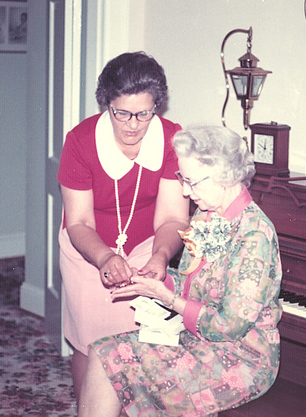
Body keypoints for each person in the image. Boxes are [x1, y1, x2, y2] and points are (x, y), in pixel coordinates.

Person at [78, 125, 283, 416]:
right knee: (102, 353)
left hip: (240, 358)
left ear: (225, 175)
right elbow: (195, 283)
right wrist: (158, 279)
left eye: (192, 182)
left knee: (114, 361)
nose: (185, 191)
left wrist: (167, 298)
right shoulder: (206, 215)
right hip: (198, 340)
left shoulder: (255, 235)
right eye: (182, 180)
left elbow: (230, 326)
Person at [57, 52, 190, 402]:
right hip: (88, 247)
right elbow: (80, 221)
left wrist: (161, 256)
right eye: (122, 113)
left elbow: (174, 218)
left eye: (144, 113)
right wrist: (104, 258)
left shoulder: (172, 139)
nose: (133, 124)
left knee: (142, 340)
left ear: (156, 106)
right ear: (107, 105)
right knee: (90, 342)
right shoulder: (80, 141)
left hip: (150, 242)